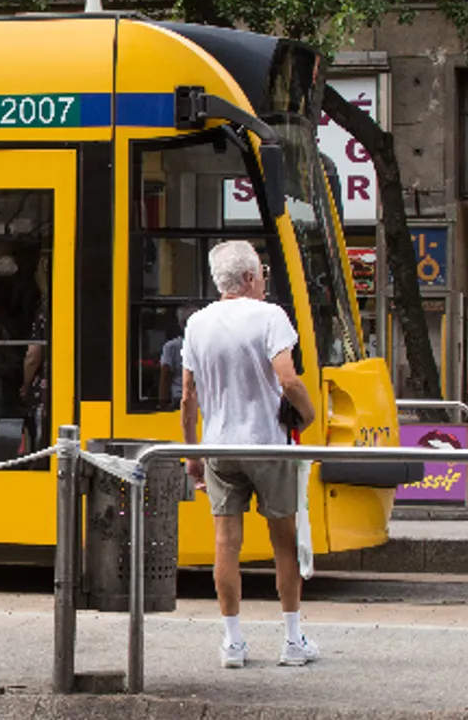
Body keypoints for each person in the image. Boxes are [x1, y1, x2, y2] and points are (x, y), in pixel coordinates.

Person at [180, 240, 318, 669]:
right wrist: (308, 415)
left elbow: (188, 397)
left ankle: (233, 643)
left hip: (219, 445)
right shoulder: (270, 316)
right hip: (267, 443)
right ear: (249, 278)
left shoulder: (197, 323)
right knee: (284, 541)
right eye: (261, 273)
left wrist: (193, 454)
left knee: (226, 543)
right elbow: (288, 380)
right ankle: (293, 641)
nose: (263, 280)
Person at [158, 305, 198, 410]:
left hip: (180, 398)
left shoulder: (171, 346)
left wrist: (163, 402)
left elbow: (166, 374)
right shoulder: (208, 346)